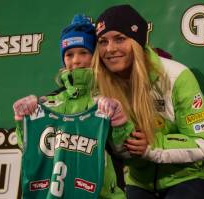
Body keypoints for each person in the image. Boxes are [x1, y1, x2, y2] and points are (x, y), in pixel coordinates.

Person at [93, 4, 204, 199]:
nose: (110, 49)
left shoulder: (176, 76)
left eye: (120, 39)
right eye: (103, 41)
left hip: (191, 174)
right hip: (140, 180)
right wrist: (124, 136)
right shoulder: (100, 88)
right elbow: (123, 153)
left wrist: (151, 146)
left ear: (137, 43)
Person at [13, 14, 127, 199]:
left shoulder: (110, 97)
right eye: (69, 54)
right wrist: (22, 120)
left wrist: (120, 120)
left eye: (84, 52)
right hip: (57, 192)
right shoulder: (50, 101)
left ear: (95, 55)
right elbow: (28, 147)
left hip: (104, 193)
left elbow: (124, 148)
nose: (76, 60)